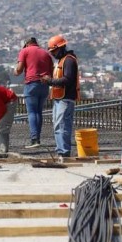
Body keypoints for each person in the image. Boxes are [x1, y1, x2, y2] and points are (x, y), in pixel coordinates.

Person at [40, 34, 80, 162]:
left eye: (54, 51)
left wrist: (50, 81)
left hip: (66, 98)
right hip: (59, 98)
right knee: (58, 125)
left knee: (62, 126)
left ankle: (64, 152)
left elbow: (67, 80)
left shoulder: (68, 60)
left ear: (61, 47)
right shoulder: (61, 61)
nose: (52, 54)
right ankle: (60, 150)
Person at [14, 37, 53, 148]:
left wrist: (15, 71)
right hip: (44, 85)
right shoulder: (46, 53)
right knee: (39, 112)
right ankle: (38, 138)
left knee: (32, 112)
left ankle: (34, 139)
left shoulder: (24, 51)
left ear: (26, 44)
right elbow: (52, 71)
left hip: (31, 84)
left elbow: (19, 70)